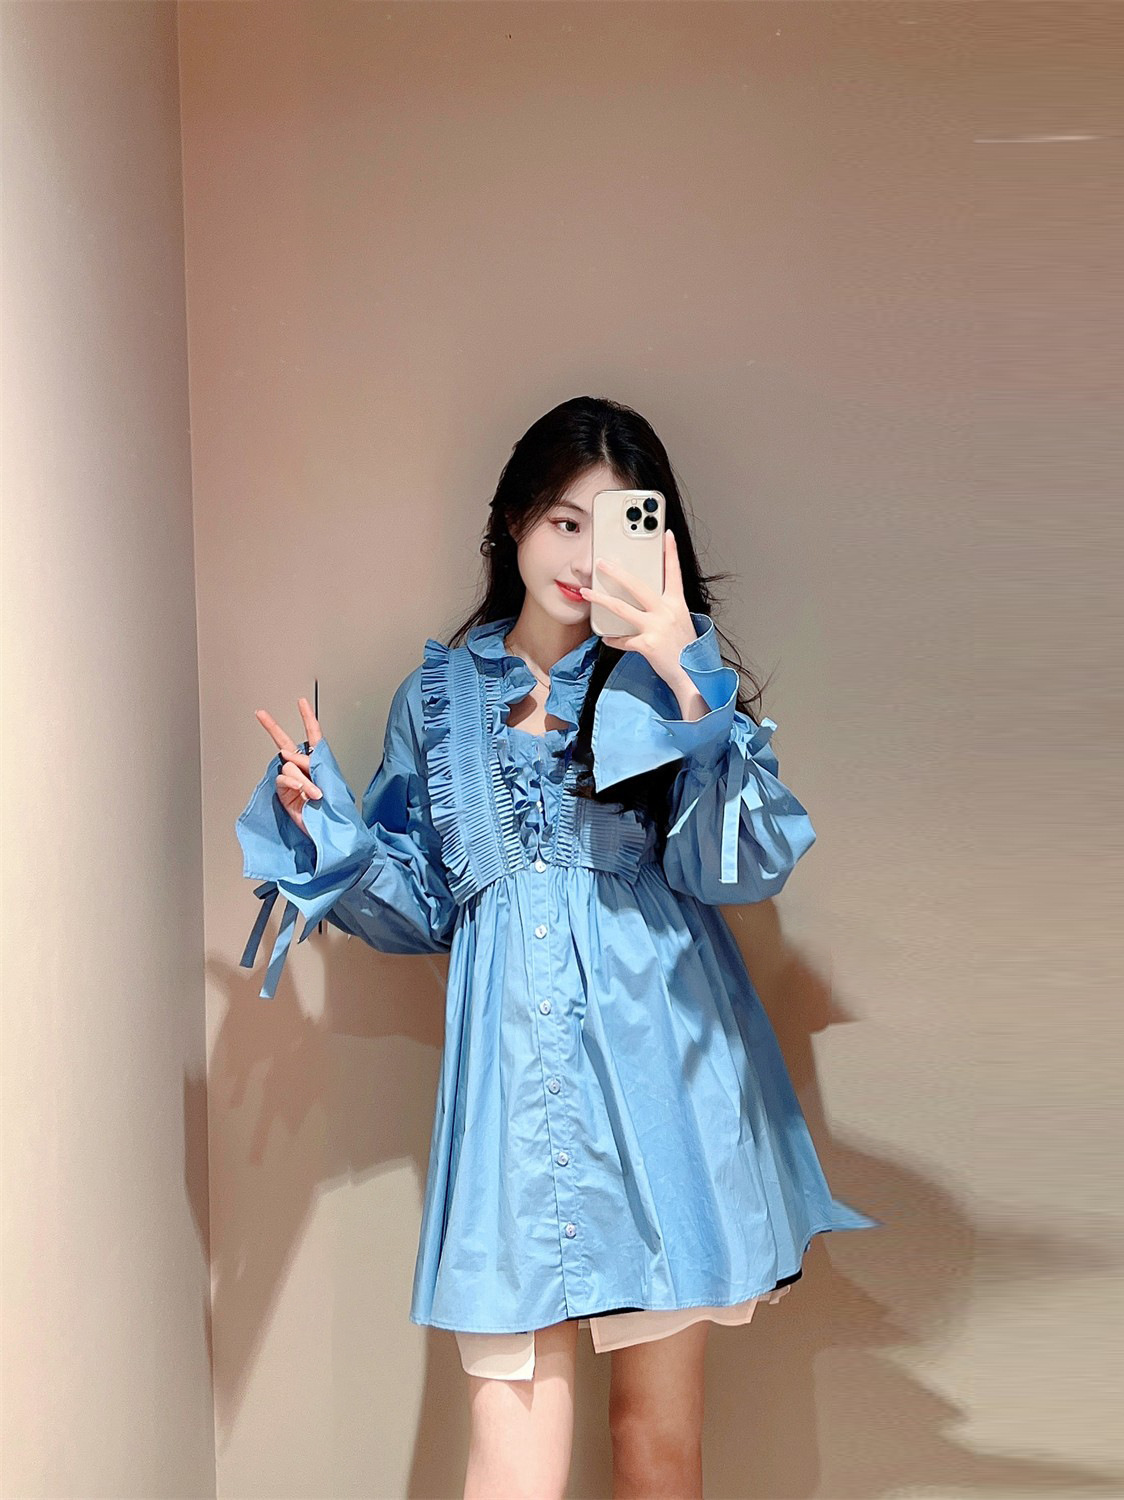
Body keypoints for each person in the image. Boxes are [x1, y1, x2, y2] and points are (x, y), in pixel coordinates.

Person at [235, 395, 873, 1499]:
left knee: (655, 1445)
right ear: (513, 520)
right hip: (510, 1106)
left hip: (664, 1082)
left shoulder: (666, 685)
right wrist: (327, 832)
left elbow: (743, 865)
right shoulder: (437, 700)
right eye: (563, 521)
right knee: (511, 1455)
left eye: (613, 526)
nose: (582, 557)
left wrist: (682, 667)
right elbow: (428, 907)